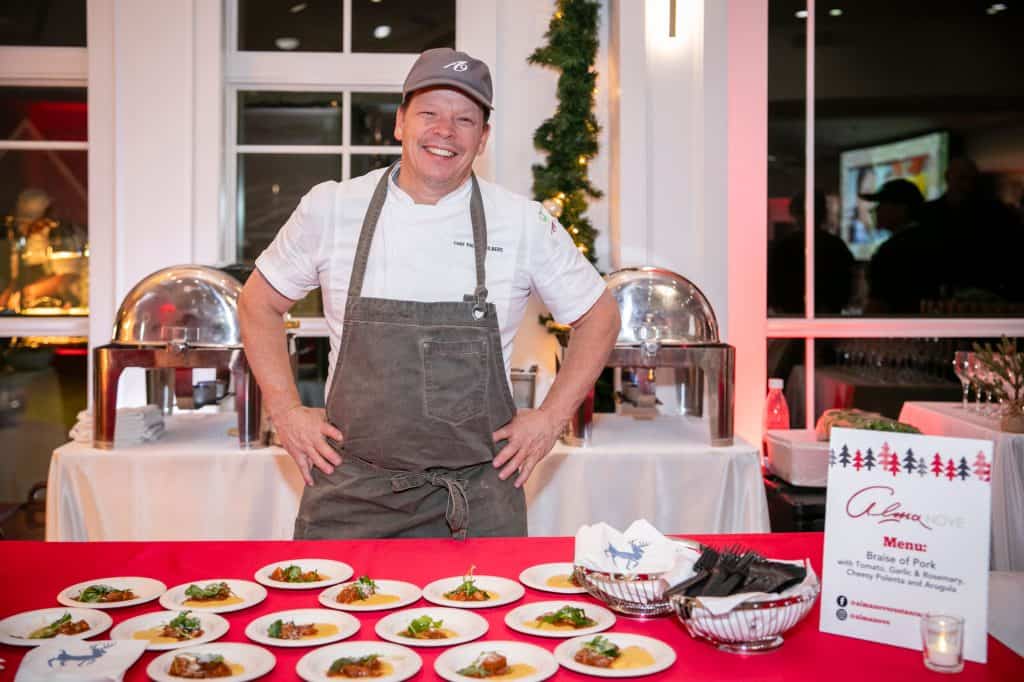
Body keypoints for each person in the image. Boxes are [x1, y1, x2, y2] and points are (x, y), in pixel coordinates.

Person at [238, 48, 620, 540]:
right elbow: (258, 303)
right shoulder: (332, 207)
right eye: (429, 113)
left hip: (479, 501)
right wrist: (286, 412)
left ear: (483, 138)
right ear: (400, 122)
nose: (446, 131)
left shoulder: (522, 222)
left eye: (465, 119)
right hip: (350, 497)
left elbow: (600, 316)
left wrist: (549, 420)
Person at [767, 190, 854, 315]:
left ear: (794, 213)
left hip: (791, 321)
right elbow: (846, 288)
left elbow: (774, 290)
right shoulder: (836, 245)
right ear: (823, 213)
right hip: (829, 322)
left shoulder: (784, 246)